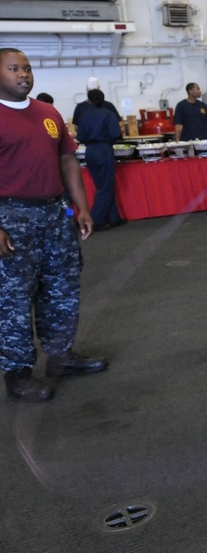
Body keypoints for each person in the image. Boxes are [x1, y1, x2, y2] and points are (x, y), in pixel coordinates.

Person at [0, 48, 108, 402]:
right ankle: (17, 373)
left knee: (62, 289)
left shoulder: (48, 113)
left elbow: (67, 161)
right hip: (11, 216)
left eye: (27, 68)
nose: (24, 74)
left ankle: (60, 357)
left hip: (54, 213)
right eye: (14, 68)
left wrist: (81, 207)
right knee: (13, 298)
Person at [75, 89, 123, 231]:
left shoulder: (84, 115)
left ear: (89, 100)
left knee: (101, 185)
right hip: (104, 149)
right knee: (106, 186)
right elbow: (116, 133)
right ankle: (96, 220)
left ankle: (114, 218)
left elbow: (80, 137)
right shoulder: (108, 114)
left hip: (90, 151)